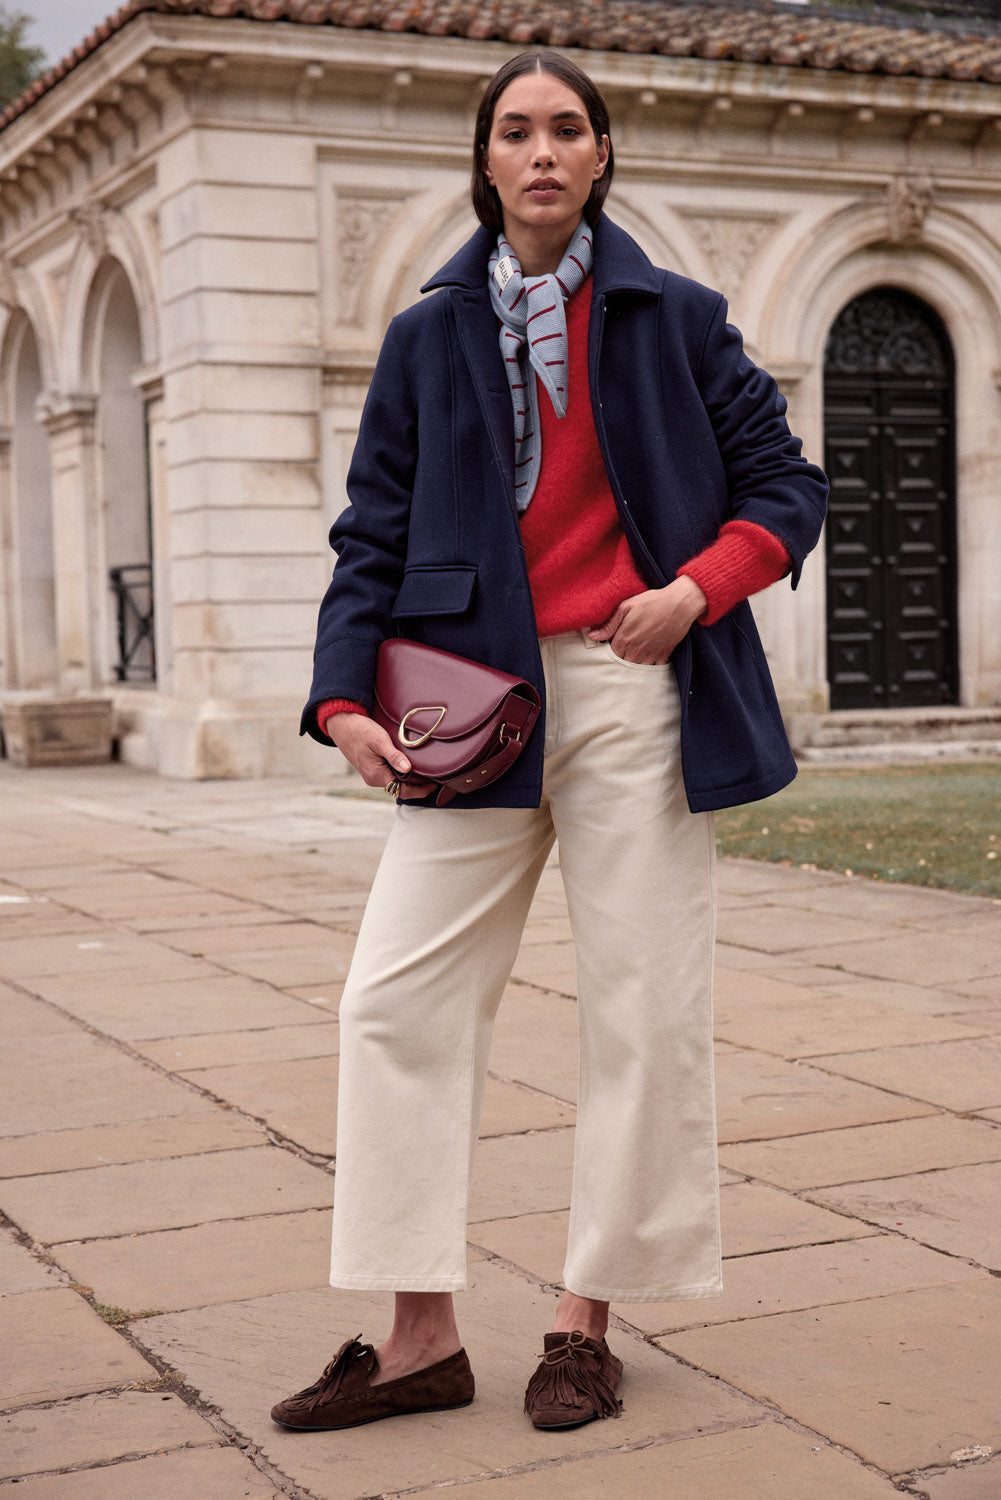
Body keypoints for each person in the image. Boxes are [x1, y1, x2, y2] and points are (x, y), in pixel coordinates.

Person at [272, 50, 828, 1435]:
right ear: (484, 160)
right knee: (392, 1004)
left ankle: (584, 1322)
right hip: (464, 710)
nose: (539, 151)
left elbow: (785, 484)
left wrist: (695, 589)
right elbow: (372, 531)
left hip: (635, 696)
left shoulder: (677, 318)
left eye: (565, 129)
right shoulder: (423, 337)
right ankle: (416, 1337)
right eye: (513, 130)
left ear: (598, 157)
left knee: (639, 1012)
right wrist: (342, 698)